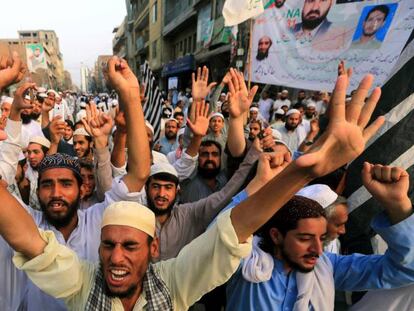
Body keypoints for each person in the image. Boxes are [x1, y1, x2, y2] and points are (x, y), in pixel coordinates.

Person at [1, 65, 386, 311]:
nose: (116, 257)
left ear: (154, 249)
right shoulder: (83, 282)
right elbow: (27, 238)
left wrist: (304, 171)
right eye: (108, 244)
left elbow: (232, 226)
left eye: (129, 245)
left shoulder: (174, 283)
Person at [0, 55, 152, 311]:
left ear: (82, 189)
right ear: (38, 189)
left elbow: (138, 173)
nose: (56, 192)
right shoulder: (27, 223)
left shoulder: (101, 221)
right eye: (47, 185)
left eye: (65, 184)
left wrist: (131, 95)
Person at [226, 162, 414, 311]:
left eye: (321, 237)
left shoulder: (328, 266)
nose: (317, 249)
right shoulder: (248, 260)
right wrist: (260, 184)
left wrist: (398, 206)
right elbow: (221, 237)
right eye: (305, 238)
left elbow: (404, 270)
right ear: (276, 235)